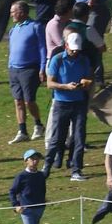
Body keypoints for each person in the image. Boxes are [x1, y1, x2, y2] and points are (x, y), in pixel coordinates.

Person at [45, 31, 94, 180]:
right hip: (62, 104)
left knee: (79, 137)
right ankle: (46, 167)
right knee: (57, 138)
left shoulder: (83, 60)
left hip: (79, 103)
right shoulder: (57, 60)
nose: (74, 52)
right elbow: (50, 83)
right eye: (72, 49)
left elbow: (89, 77)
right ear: (66, 46)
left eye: (77, 50)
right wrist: (66, 86)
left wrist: (85, 83)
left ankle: (76, 169)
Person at [5, 1, 47, 144]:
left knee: (29, 100)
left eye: (13, 12)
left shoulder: (35, 27)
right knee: (18, 101)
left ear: (22, 12)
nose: (11, 15)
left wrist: (43, 68)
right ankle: (22, 131)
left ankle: (38, 125)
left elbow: (43, 48)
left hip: (29, 69)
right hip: (14, 69)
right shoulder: (13, 29)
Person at [9, 149, 49, 224]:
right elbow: (12, 191)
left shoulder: (41, 175)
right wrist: (16, 205)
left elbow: (42, 190)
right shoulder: (21, 176)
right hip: (26, 210)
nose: (35, 161)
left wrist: (44, 201)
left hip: (39, 209)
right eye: (32, 159)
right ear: (26, 161)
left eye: (37, 158)